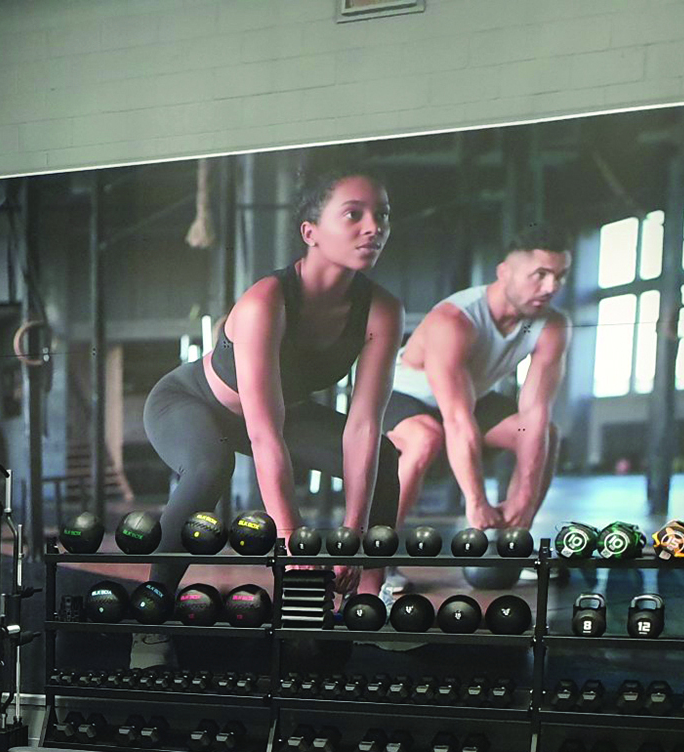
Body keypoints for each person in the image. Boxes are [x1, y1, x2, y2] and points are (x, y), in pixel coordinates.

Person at [142, 161, 403, 596]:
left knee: (384, 456)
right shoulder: (266, 301)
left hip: (284, 416)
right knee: (210, 466)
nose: (374, 227)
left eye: (383, 214)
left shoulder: (382, 310)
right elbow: (264, 435)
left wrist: (352, 539)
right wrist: (291, 539)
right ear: (310, 232)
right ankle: (150, 614)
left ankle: (369, 600)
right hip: (192, 402)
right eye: (354, 214)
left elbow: (362, 426)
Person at [385, 227, 572, 534]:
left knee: (543, 433)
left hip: (470, 397)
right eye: (539, 274)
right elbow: (457, 419)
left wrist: (523, 498)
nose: (551, 287)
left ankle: (513, 543)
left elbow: (535, 414)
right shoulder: (455, 320)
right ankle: (376, 555)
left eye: (560, 276)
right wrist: (476, 500)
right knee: (425, 438)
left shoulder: (550, 326)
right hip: (401, 396)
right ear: (504, 272)